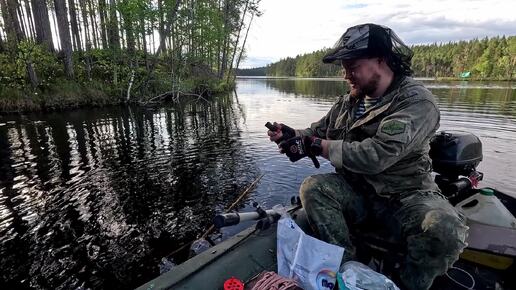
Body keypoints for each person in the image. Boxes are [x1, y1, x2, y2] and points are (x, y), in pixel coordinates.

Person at [267, 23, 468, 290]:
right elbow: (318, 132)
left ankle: (407, 284)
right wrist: (292, 134)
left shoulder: (417, 102)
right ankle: (349, 267)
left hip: (406, 196)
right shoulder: (350, 101)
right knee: (313, 187)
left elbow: (377, 155)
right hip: (359, 192)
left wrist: (316, 146)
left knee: (444, 230)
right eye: (344, 67)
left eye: (352, 66)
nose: (346, 75)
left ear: (380, 61)